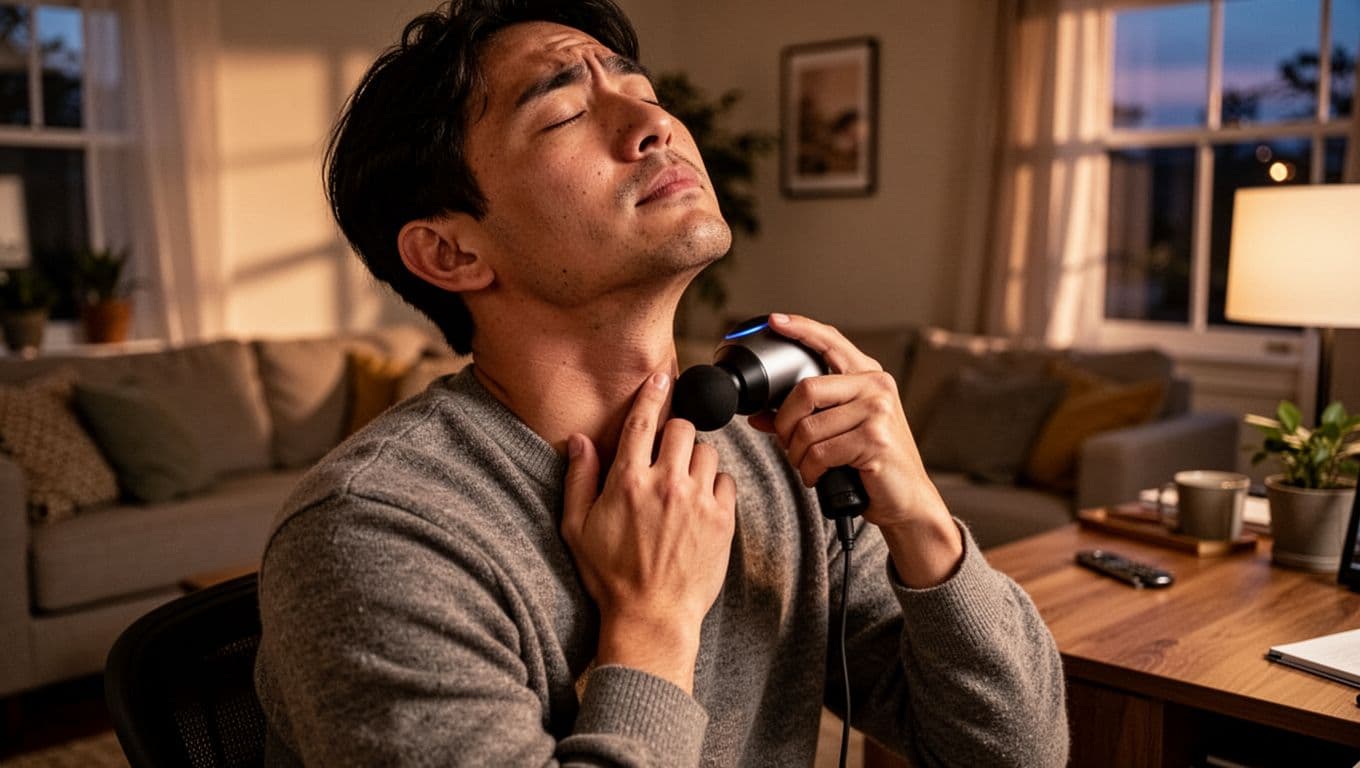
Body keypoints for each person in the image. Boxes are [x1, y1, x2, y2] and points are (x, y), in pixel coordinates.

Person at [253, 1, 1069, 765]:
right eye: (566, 113)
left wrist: (921, 516)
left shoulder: (776, 451)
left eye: (643, 91)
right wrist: (652, 628)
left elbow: (1017, 752)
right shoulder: (373, 536)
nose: (655, 126)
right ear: (451, 253)